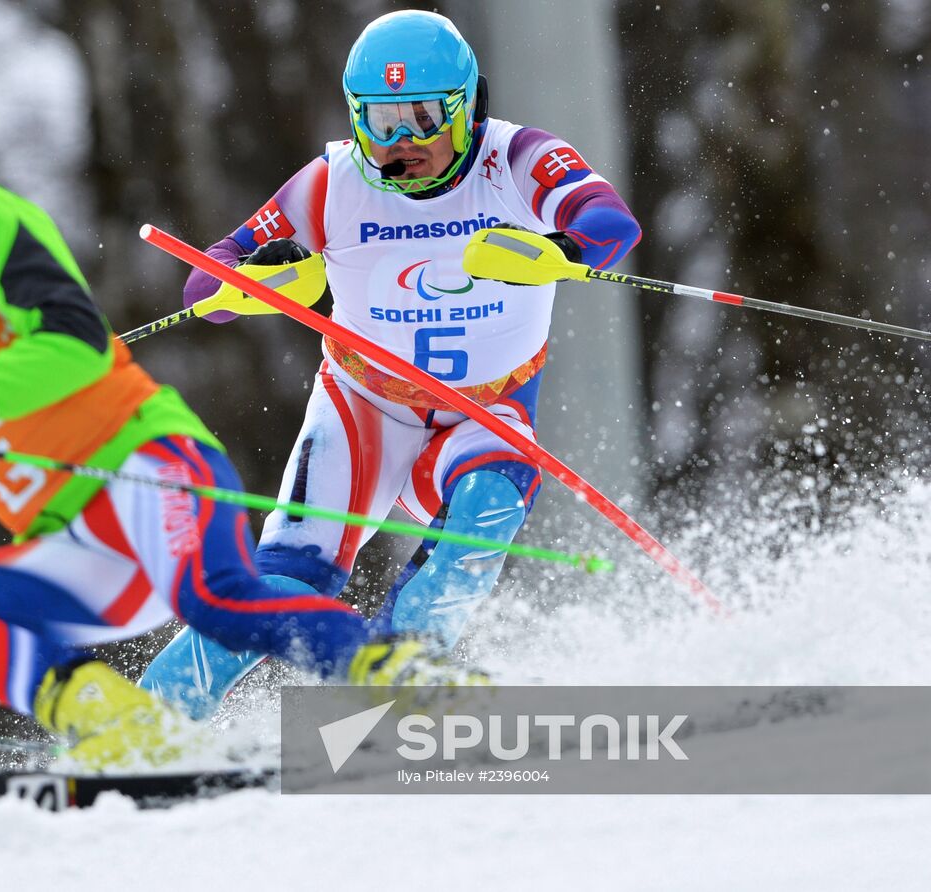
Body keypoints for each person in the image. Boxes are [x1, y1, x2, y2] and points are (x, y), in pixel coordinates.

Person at [0, 90, 451, 769]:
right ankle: (129, 731)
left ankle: (397, 672)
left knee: (216, 599)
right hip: (79, 547)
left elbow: (74, 338)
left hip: (148, 465)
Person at [140, 9, 642, 719]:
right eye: (379, 121)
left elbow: (610, 223)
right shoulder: (333, 181)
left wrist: (562, 251)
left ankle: (379, 711)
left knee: (482, 517)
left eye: (423, 117)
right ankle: (139, 728)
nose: (401, 142)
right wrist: (247, 287)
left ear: (468, 109)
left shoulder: (518, 158)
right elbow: (204, 279)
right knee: (286, 585)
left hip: (485, 409)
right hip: (363, 410)